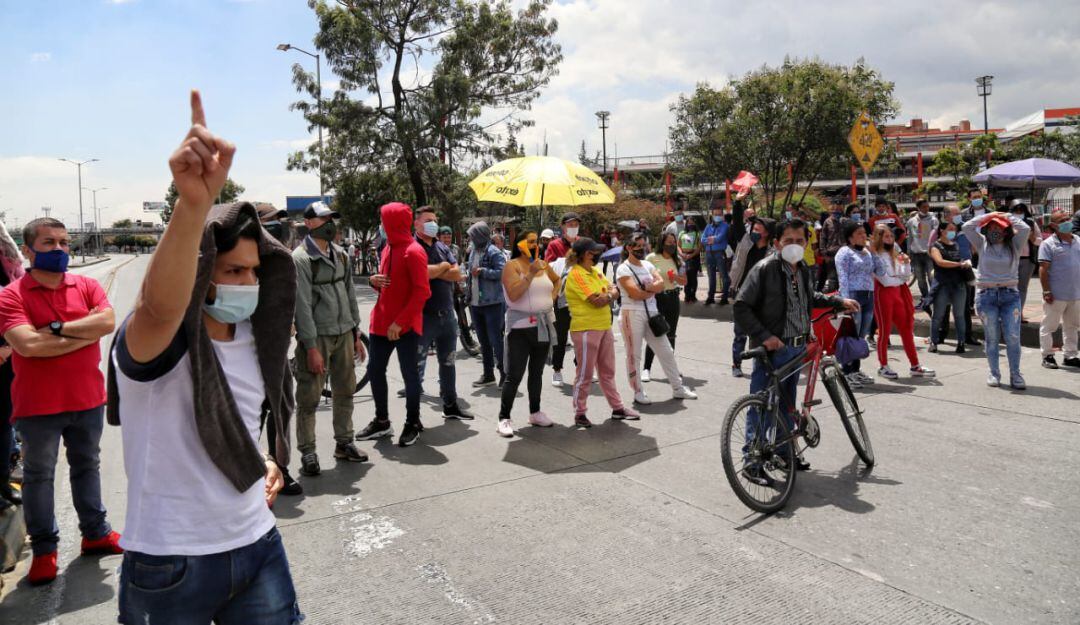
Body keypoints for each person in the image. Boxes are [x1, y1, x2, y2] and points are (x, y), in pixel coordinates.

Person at [107, 93, 301, 624]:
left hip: (257, 543)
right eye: (233, 271)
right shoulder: (159, 339)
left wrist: (260, 458)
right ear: (203, 272)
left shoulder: (252, 340)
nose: (248, 283)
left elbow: (232, 418)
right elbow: (157, 304)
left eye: (254, 272)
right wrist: (192, 206)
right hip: (172, 564)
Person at [0, 216, 121, 585]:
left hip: (87, 398)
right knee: (39, 476)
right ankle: (45, 550)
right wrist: (83, 333)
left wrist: (55, 329)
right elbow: (26, 344)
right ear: (27, 250)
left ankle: (95, 533)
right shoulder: (10, 295)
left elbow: (107, 322)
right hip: (37, 406)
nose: (59, 250)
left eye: (65, 243)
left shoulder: (85, 285)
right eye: (49, 243)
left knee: (88, 466)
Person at [732, 218, 858, 484]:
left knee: (787, 404)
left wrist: (837, 301)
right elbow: (741, 306)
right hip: (772, 350)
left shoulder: (802, 269)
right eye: (788, 240)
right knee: (762, 405)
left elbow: (809, 297)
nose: (794, 245)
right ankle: (752, 461)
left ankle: (783, 451)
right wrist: (765, 337)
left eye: (800, 241)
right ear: (777, 242)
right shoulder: (764, 269)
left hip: (798, 348)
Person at [292, 201, 368, 476]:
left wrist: (355, 332)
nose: (330, 224)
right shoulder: (300, 259)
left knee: (345, 390)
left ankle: (344, 443)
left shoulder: (341, 255)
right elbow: (301, 307)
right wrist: (311, 347)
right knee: (309, 396)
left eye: (331, 219)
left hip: (343, 334)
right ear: (309, 223)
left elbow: (350, 295)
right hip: (318, 336)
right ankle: (308, 453)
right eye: (324, 219)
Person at [357, 202, 432, 447]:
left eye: (383, 220)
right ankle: (382, 421)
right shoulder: (387, 247)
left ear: (393, 222)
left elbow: (422, 292)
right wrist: (372, 280)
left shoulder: (414, 251)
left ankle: (413, 422)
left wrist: (400, 322)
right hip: (380, 324)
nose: (381, 225)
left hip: (405, 327)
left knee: (410, 376)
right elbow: (386, 282)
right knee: (375, 371)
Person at [563, 237, 638, 427]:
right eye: (592, 252)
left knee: (607, 371)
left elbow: (614, 289)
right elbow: (595, 300)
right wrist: (609, 295)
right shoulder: (576, 275)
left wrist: (608, 294)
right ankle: (580, 412)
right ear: (583, 255)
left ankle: (618, 408)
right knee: (585, 374)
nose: (596, 255)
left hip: (604, 326)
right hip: (586, 330)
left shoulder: (595, 272)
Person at [616, 232, 698, 405]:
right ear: (628, 248)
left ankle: (678, 388)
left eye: (643, 245)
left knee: (666, 350)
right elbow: (635, 293)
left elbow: (661, 284)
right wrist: (651, 289)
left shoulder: (647, 264)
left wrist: (649, 288)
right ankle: (638, 391)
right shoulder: (623, 269)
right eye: (637, 246)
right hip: (631, 314)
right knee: (634, 355)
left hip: (652, 313)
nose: (641, 249)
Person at [496, 231, 561, 436]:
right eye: (530, 241)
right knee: (514, 374)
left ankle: (535, 412)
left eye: (536, 242)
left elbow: (557, 281)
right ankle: (504, 418)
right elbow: (514, 295)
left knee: (537, 373)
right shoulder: (511, 265)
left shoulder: (544, 264)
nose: (535, 245)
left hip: (542, 325)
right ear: (520, 244)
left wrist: (551, 298)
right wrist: (531, 273)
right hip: (520, 328)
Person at [410, 206, 472, 419]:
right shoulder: (413, 246)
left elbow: (457, 274)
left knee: (448, 362)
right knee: (415, 368)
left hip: (447, 315)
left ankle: (450, 404)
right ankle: (413, 418)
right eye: (428, 220)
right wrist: (444, 268)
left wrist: (437, 271)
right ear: (416, 223)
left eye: (435, 219)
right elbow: (421, 273)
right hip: (422, 317)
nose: (433, 223)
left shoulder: (441, 247)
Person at [962, 211, 1031, 389]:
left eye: (998, 227)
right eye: (991, 227)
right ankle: (994, 373)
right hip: (986, 296)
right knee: (992, 337)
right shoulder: (981, 243)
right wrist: (989, 215)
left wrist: (1007, 216)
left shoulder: (1015, 244)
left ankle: (1016, 374)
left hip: (1010, 296)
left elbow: (1025, 228)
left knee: (1013, 336)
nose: (995, 230)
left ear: (1006, 230)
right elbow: (966, 227)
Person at [870, 225, 935, 379]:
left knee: (906, 328)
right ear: (878, 237)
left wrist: (905, 264)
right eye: (885, 236)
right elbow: (884, 280)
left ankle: (915, 365)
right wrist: (897, 277)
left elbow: (905, 277)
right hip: (883, 294)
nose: (890, 239)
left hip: (899, 292)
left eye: (891, 237)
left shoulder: (894, 253)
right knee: (884, 331)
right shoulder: (874, 255)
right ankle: (883, 366)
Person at [729, 208, 774, 378]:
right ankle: (736, 364)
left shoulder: (772, 252)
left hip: (761, 298)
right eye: (753, 228)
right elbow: (738, 224)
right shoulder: (746, 242)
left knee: (759, 335)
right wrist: (738, 202)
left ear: (767, 234)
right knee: (739, 334)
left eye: (758, 230)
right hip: (742, 294)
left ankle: (760, 365)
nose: (754, 231)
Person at [835, 220, 877, 388]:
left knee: (861, 336)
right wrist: (846, 301)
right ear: (850, 238)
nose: (864, 236)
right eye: (859, 233)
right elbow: (842, 277)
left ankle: (856, 370)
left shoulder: (867, 252)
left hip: (868, 295)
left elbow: (879, 271)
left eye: (864, 233)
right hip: (853, 295)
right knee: (850, 334)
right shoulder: (844, 253)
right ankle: (847, 372)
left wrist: (875, 253)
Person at [466, 221, 507, 387]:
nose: (471, 239)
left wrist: (483, 272)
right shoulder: (472, 252)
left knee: (496, 340)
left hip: (492, 303)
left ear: (481, 236)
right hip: (475, 303)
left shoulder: (494, 251)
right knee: (483, 340)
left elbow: (503, 272)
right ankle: (488, 374)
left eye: (473, 236)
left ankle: (505, 373)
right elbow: (470, 273)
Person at [1038, 210, 1080, 369]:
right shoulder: (1048, 244)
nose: (1067, 221)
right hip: (1056, 295)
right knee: (1049, 326)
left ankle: (1070, 355)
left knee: (1072, 326)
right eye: (1062, 220)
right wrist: (1047, 291)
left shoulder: (1078, 240)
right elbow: (1043, 269)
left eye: (1068, 218)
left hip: (1075, 294)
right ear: (1054, 225)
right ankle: (1047, 355)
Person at [642, 231, 686, 382]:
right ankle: (646, 368)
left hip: (673, 297)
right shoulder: (651, 258)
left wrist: (676, 278)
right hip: (657, 298)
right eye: (669, 242)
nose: (672, 245)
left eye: (673, 242)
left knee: (671, 334)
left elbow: (684, 281)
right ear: (662, 243)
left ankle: (671, 368)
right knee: (656, 332)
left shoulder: (678, 260)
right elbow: (644, 279)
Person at [928, 220, 971, 354]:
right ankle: (934, 342)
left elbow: (963, 259)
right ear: (942, 230)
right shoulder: (936, 246)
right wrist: (959, 264)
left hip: (959, 284)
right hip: (943, 285)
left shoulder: (956, 245)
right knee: (938, 315)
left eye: (954, 229)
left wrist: (966, 264)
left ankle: (961, 343)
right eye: (950, 229)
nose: (953, 232)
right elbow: (940, 262)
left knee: (959, 315)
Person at [548, 246, 575, 387]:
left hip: (580, 308)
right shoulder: (559, 263)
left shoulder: (587, 266)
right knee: (561, 339)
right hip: (562, 307)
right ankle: (557, 370)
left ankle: (581, 369)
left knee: (581, 339)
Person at [1012, 203, 1041, 321]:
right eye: (1016, 210)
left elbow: (1040, 241)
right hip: (1011, 259)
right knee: (1009, 287)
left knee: (1022, 287)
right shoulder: (1008, 222)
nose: (1019, 213)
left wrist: (1031, 237)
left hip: (1027, 260)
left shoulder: (1030, 222)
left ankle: (1019, 312)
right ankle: (1009, 311)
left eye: (1021, 211)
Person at [905, 199, 938, 301]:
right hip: (916, 254)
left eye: (927, 206)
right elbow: (910, 237)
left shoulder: (933, 220)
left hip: (929, 253)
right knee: (920, 279)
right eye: (924, 207)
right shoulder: (911, 221)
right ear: (918, 208)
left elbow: (935, 234)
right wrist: (909, 251)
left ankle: (933, 297)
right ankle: (925, 297)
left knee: (931, 277)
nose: (926, 208)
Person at [701, 201, 731, 305]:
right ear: (712, 215)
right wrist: (712, 239)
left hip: (720, 253)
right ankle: (710, 297)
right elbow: (702, 239)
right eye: (715, 214)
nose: (717, 216)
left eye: (719, 214)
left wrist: (712, 239)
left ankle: (725, 297)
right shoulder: (708, 226)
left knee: (724, 275)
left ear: (722, 215)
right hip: (709, 253)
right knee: (711, 276)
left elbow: (719, 238)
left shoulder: (725, 226)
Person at [818, 196, 848, 292]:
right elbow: (823, 238)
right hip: (831, 255)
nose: (837, 209)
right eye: (835, 207)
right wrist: (824, 253)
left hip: (844, 254)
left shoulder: (846, 221)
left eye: (839, 207)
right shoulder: (827, 221)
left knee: (843, 278)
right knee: (831, 279)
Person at [677, 216, 702, 303]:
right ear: (686, 224)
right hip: (683, 257)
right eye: (688, 223)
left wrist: (691, 255)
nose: (690, 224)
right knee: (685, 276)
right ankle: (687, 295)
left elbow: (699, 247)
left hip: (694, 257)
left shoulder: (697, 233)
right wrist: (681, 254)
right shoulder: (682, 233)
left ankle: (692, 295)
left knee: (693, 277)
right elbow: (678, 245)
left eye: (692, 223)